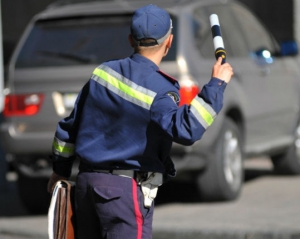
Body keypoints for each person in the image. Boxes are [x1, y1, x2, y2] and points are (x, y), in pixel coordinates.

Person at [47, 4, 233, 239]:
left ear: (130, 39)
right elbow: (187, 129)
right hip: (122, 193)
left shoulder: (102, 73)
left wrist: (59, 172)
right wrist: (216, 84)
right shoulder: (161, 90)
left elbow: (69, 128)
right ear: (169, 42)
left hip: (86, 186)